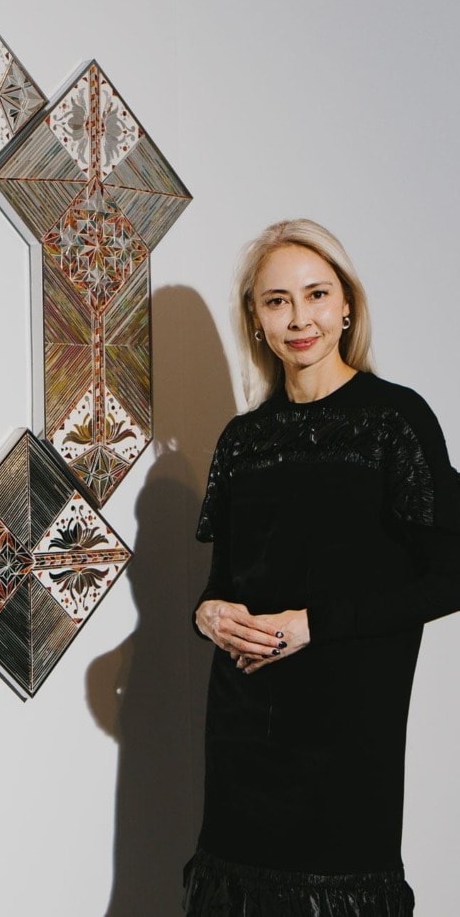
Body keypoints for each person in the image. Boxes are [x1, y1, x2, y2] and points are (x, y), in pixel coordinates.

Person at [183, 219, 460, 915]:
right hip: (244, 729)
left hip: (347, 735)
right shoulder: (243, 440)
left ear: (347, 306)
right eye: (277, 300)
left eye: (315, 294)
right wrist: (205, 612)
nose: (299, 317)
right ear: (255, 316)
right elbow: (228, 582)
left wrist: (318, 624)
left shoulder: (395, 420)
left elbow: (452, 573)